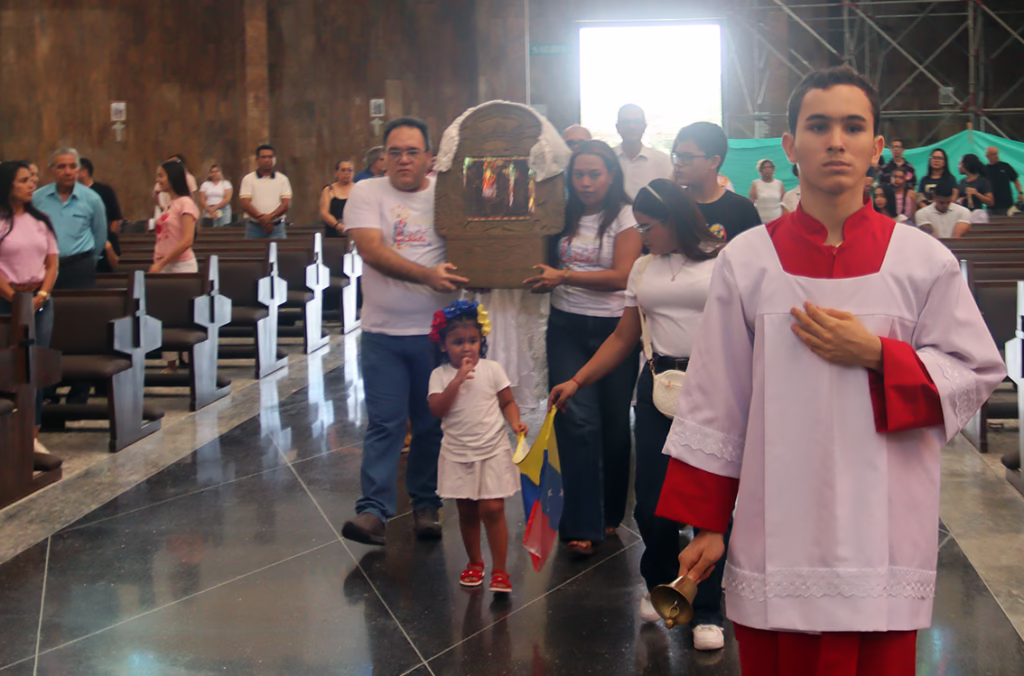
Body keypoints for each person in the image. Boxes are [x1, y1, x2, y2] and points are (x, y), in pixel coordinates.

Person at [658, 65, 1004, 676]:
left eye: (853, 126)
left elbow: (975, 371)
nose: (835, 141)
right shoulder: (748, 261)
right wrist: (708, 520)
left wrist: (877, 354)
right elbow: (716, 399)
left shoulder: (924, 261)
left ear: (876, 147)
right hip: (777, 519)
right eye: (818, 126)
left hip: (885, 525)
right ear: (789, 146)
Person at [548, 178, 728, 650]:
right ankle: (661, 584)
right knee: (651, 501)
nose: (643, 236)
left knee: (707, 503)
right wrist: (577, 380)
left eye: (649, 227)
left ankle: (708, 607)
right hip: (656, 385)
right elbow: (623, 338)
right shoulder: (643, 268)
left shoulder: (721, 262)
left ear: (673, 220)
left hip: (711, 387)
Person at [340, 117, 468, 546]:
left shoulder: (446, 196)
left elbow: (471, 245)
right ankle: (373, 512)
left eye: (412, 151)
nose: (403, 159)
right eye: (394, 152)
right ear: (383, 157)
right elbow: (372, 251)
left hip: (435, 334)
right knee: (385, 423)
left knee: (431, 425)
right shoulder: (366, 192)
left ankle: (426, 504)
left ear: (429, 158)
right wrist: (427, 276)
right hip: (382, 333)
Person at [524, 139, 642, 555]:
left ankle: (610, 514)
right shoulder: (561, 215)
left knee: (613, 424)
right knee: (574, 418)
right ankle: (580, 523)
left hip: (616, 329)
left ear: (611, 176)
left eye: (595, 174)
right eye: (580, 174)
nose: (587, 182)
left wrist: (565, 275)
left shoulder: (625, 216)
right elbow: (533, 257)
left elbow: (624, 275)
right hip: (567, 326)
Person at [427, 299, 526, 594]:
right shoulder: (440, 375)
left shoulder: (493, 369)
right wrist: (457, 380)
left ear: (481, 340)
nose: (467, 347)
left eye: (472, 340)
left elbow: (507, 401)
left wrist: (515, 422)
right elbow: (437, 409)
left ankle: (500, 570)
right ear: (444, 346)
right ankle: (475, 562)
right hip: (458, 453)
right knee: (467, 511)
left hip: (492, 449)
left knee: (493, 508)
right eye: (458, 342)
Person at [0, 161, 61, 470]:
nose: (30, 185)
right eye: (23, 180)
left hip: (40, 300)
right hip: (7, 301)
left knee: (35, 366)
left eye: (30, 180)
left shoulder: (42, 220)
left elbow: (52, 263)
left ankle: (33, 432)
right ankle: (11, 429)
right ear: (8, 185)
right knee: (12, 368)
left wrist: (42, 295)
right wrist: (14, 299)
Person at [672, 122, 762, 242]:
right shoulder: (671, 206)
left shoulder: (743, 210)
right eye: (677, 156)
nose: (678, 163)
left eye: (687, 157)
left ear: (714, 162)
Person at [32, 148, 106, 290]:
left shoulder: (93, 199)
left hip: (79, 265)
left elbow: (100, 235)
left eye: (73, 166)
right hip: (44, 266)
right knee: (45, 308)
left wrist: (90, 261)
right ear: (51, 170)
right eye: (61, 167)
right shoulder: (37, 199)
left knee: (80, 310)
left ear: (78, 169)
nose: (68, 172)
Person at [613, 104, 673, 199]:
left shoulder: (662, 160)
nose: (631, 126)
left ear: (644, 127)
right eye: (626, 122)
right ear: (617, 127)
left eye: (637, 122)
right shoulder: (608, 158)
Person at [151, 160, 199, 273]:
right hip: (164, 263)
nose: (158, 180)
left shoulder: (186, 203)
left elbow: (187, 240)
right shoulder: (170, 203)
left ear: (173, 177)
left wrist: (162, 263)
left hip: (181, 266)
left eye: (161, 176)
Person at [77, 158, 123, 273]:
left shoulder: (104, 191)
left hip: (103, 238)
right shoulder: (72, 193)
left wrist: (106, 237)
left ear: (84, 171)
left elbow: (116, 218)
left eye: (75, 169)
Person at [239, 144, 292, 239]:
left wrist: (270, 217)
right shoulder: (248, 179)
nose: (267, 160)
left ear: (274, 159)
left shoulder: (282, 179)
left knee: (280, 253)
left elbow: (285, 204)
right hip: (254, 227)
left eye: (270, 157)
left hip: (277, 227)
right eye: (263, 157)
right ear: (257, 159)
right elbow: (245, 203)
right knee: (252, 253)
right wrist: (261, 218)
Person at [320, 159, 354, 238]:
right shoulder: (328, 190)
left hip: (355, 232)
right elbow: (324, 213)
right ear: (336, 173)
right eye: (343, 170)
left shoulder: (359, 189)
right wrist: (338, 225)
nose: (347, 173)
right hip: (334, 232)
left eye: (350, 170)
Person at [984, 146, 1022, 215]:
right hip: (991, 206)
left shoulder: (1005, 166)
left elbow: (1015, 180)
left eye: (996, 154)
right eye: (993, 154)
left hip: (1007, 205)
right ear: (987, 156)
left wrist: (1020, 193)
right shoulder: (985, 169)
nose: (996, 156)